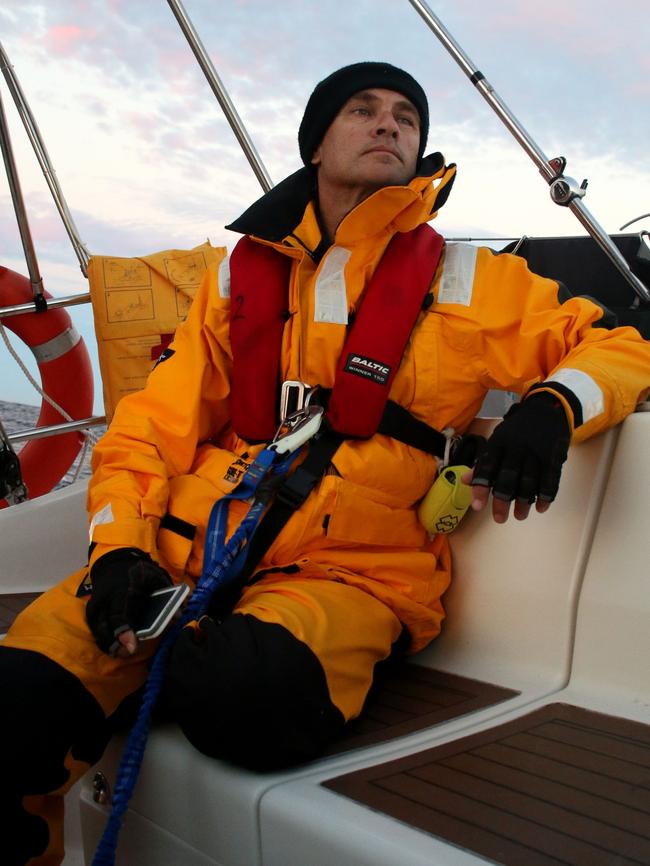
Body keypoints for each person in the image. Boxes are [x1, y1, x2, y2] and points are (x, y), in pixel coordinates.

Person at [2, 61, 650, 866]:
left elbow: (620, 343)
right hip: (180, 548)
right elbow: (147, 432)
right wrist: (120, 550)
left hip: (354, 572)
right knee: (13, 701)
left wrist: (556, 407)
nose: (388, 124)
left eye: (406, 117)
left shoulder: (475, 280)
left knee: (250, 699)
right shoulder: (234, 283)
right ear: (317, 142)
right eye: (363, 109)